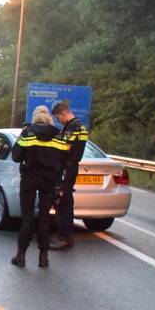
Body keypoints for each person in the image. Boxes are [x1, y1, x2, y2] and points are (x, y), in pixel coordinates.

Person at [10, 106, 67, 268]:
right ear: (48, 117)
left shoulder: (28, 132)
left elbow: (16, 156)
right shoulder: (58, 134)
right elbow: (63, 159)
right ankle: (43, 257)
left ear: (35, 117)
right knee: (44, 217)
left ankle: (21, 255)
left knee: (27, 218)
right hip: (49, 180)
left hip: (29, 178)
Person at [49, 101, 88, 251]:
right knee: (67, 203)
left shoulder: (72, 127)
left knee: (61, 203)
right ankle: (68, 237)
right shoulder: (81, 127)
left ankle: (63, 238)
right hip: (72, 167)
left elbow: (64, 148)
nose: (59, 121)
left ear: (63, 113)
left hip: (66, 168)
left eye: (58, 118)